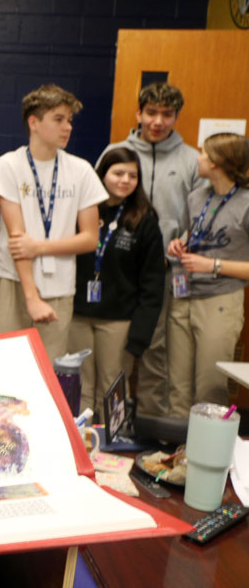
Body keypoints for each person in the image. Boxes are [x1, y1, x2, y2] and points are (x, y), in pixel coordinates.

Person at [98, 82, 205, 416]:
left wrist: (180, 243)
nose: (158, 121)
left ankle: (150, 423)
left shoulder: (191, 160)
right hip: (116, 269)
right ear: (138, 113)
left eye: (167, 114)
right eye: (151, 113)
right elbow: (95, 205)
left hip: (164, 271)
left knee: (154, 349)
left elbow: (200, 215)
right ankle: (109, 421)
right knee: (111, 350)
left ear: (176, 117)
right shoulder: (116, 152)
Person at [0, 84, 107, 361]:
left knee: (48, 369)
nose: (68, 128)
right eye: (59, 119)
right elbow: (18, 240)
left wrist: (39, 247)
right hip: (13, 281)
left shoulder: (81, 170)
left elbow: (89, 238)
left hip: (60, 285)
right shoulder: (9, 165)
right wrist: (31, 298)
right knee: (2, 367)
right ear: (34, 122)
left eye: (70, 121)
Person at [68, 147, 165, 421]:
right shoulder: (83, 211)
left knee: (113, 388)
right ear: (102, 174)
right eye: (118, 173)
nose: (125, 180)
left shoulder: (144, 219)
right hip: (78, 315)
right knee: (81, 386)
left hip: (118, 321)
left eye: (132, 175)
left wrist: (139, 337)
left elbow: (153, 282)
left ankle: (113, 447)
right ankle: (80, 445)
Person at [166, 132, 249, 416]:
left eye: (204, 153)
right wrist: (179, 244)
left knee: (209, 388)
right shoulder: (196, 197)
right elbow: (192, 236)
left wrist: (212, 265)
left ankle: (209, 456)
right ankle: (176, 454)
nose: (198, 157)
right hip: (183, 294)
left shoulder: (246, 203)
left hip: (220, 300)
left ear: (218, 163)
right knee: (177, 385)